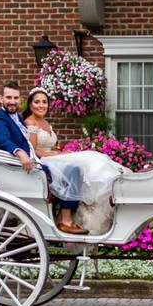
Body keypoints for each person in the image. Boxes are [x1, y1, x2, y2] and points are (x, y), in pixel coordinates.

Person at [0, 81, 88, 235]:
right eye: (8, 97)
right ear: (1, 99)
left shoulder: (17, 117)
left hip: (34, 160)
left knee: (76, 167)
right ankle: (65, 220)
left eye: (15, 98)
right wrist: (19, 152)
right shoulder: (0, 118)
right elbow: (2, 139)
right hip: (23, 166)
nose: (12, 101)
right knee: (71, 169)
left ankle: (68, 215)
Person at [22, 86, 128, 214]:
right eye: (37, 102)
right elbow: (33, 151)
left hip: (53, 156)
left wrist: (58, 151)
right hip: (43, 160)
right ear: (30, 104)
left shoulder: (45, 122)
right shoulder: (31, 122)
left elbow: (51, 146)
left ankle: (113, 184)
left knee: (92, 156)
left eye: (44, 102)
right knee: (87, 158)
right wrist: (58, 154)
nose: (41, 105)